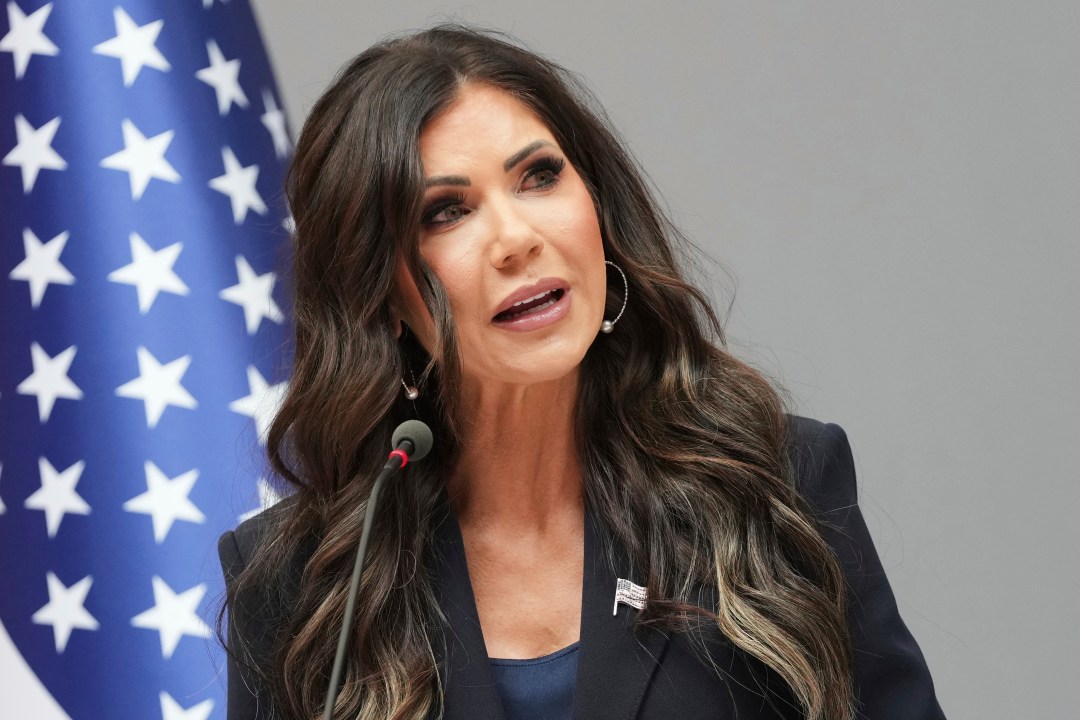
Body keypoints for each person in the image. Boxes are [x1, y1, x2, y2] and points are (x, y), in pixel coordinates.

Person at [217, 24, 945, 720]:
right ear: (382, 297)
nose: (516, 238)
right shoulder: (300, 587)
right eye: (446, 212)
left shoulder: (774, 485)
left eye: (539, 176)